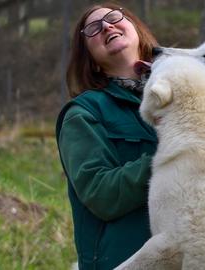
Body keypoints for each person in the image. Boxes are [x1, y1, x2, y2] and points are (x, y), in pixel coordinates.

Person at [55, 3, 158, 269]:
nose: (107, 26)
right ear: (90, 59)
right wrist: (172, 158)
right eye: (93, 28)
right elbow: (101, 193)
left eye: (113, 18)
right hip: (127, 261)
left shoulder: (184, 90)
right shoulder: (83, 114)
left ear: (136, 28)